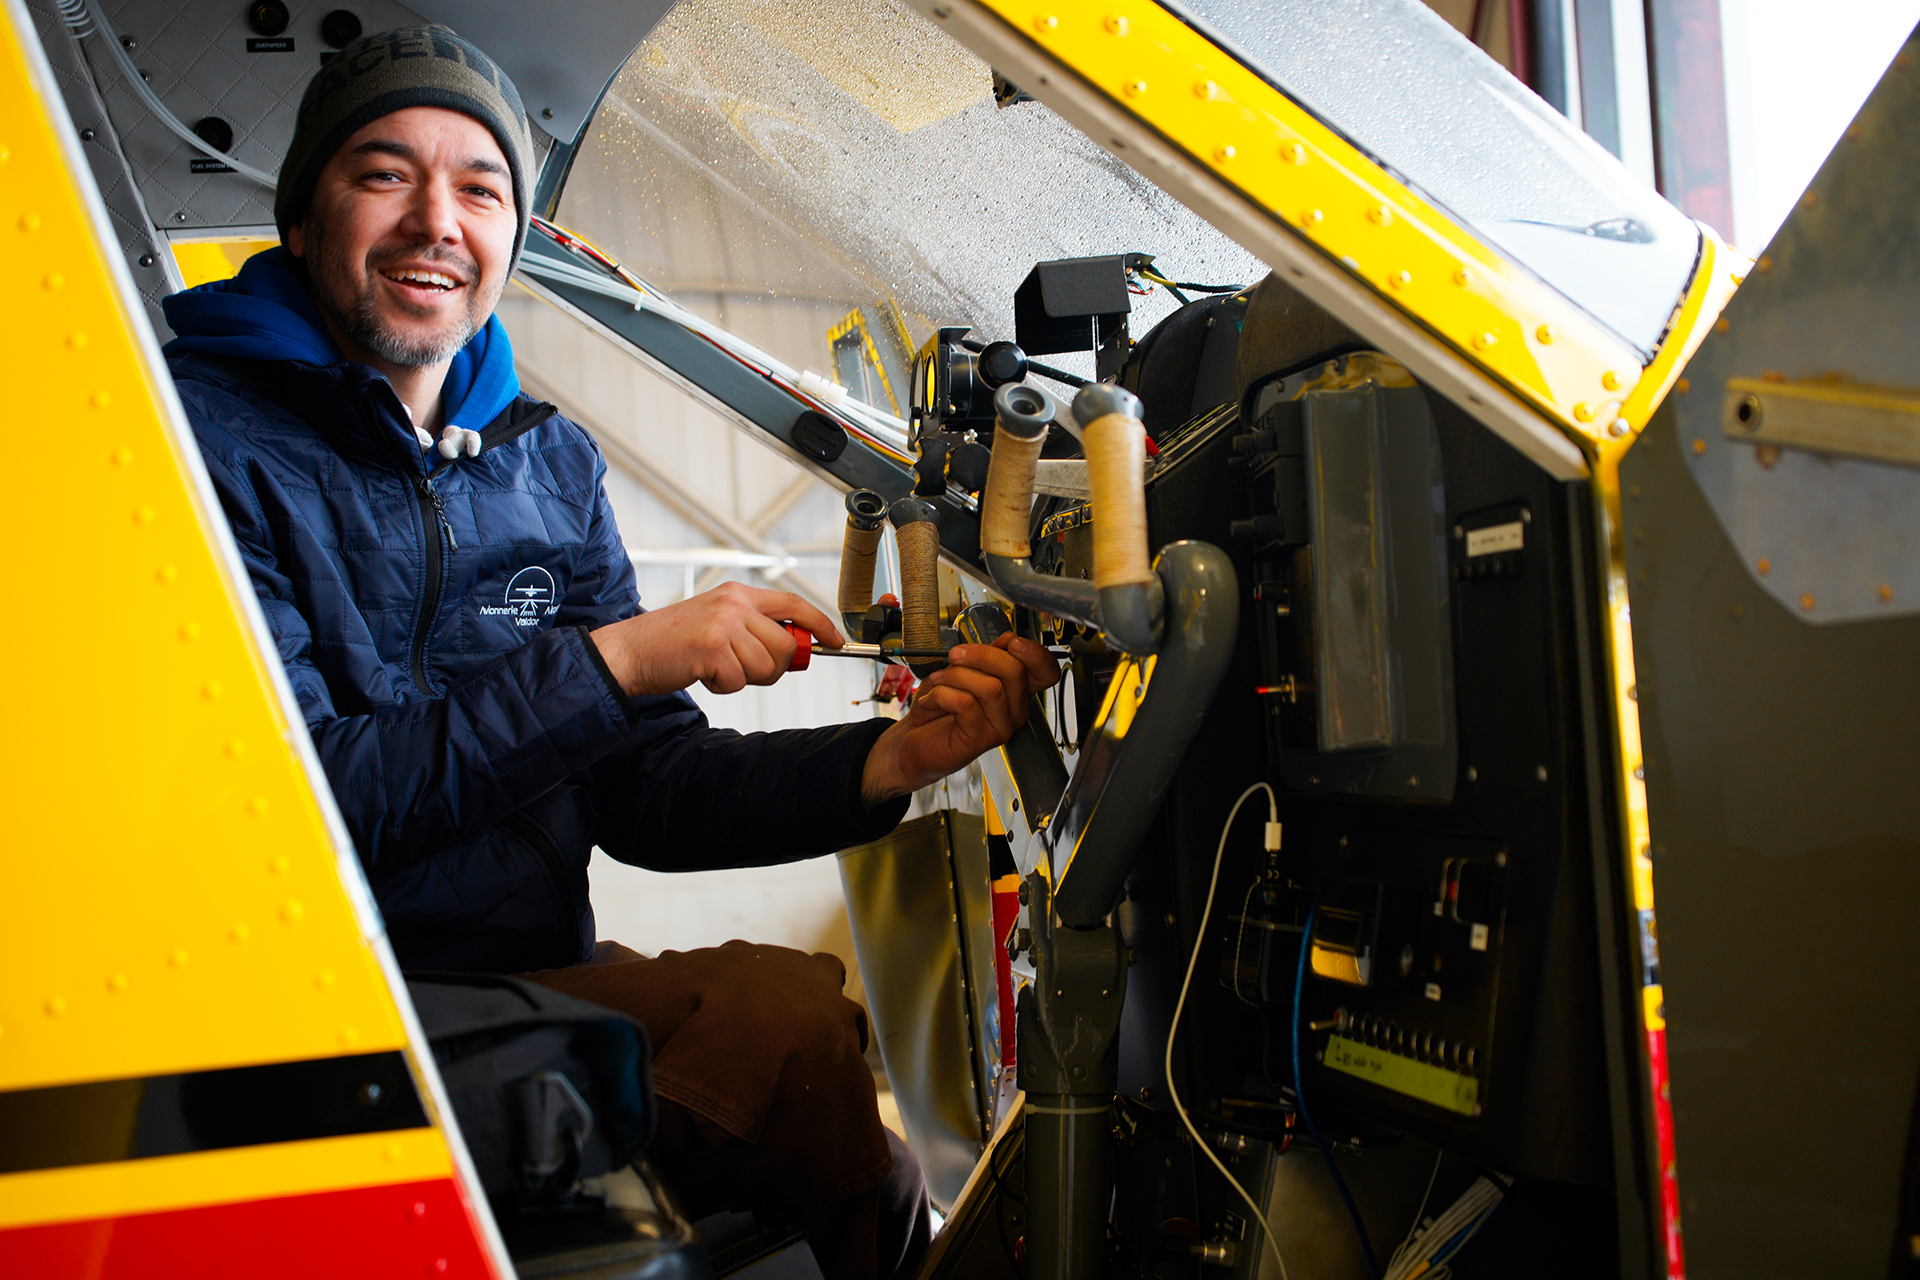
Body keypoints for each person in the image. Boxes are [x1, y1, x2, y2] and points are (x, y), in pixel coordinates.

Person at [161, 26, 1059, 1280]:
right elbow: (309, 806)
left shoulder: (546, 461)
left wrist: (893, 759)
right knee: (786, 1029)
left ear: (511, 238)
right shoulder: (192, 440)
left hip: (525, 975)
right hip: (310, 1002)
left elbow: (645, 788)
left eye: (480, 188)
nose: (438, 220)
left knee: (873, 1147)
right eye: (383, 173)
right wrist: (620, 659)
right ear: (303, 221)